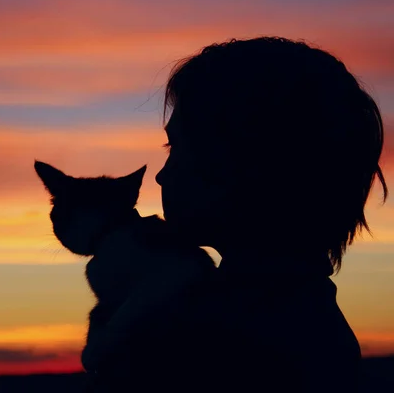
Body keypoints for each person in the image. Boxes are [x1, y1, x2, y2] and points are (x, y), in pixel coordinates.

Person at [82, 36, 388, 392]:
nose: (162, 175)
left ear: (245, 162)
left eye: (177, 145)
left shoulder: (208, 341)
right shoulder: (305, 321)